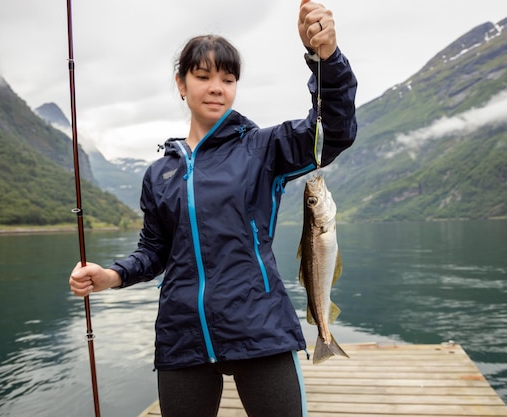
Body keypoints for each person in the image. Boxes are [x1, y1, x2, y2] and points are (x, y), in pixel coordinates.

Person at [68, 1, 357, 416]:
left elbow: (336, 129)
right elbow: (154, 250)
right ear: (181, 84)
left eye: (228, 78)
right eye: (203, 76)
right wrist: (112, 275)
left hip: (260, 327)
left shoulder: (263, 148)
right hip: (182, 335)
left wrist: (325, 59)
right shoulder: (159, 174)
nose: (217, 87)